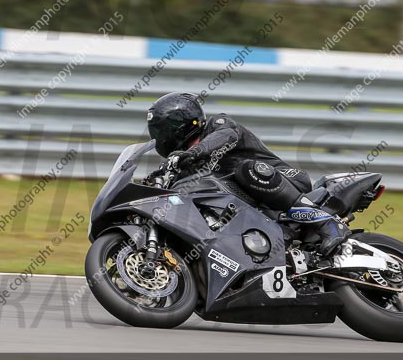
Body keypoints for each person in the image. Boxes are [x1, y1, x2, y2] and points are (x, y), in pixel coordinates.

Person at [146, 92, 349, 256]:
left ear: (183, 124)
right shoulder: (186, 165)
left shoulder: (218, 125)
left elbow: (226, 136)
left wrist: (194, 152)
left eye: (164, 130)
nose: (161, 137)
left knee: (247, 170)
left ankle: (327, 223)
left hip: (286, 179)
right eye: (157, 132)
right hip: (257, 208)